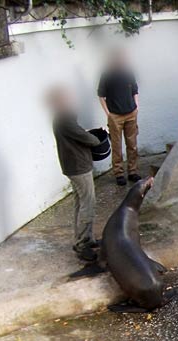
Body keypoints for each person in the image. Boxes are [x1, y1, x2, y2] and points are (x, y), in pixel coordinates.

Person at [48, 86, 101, 262]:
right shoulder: (64, 119)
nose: (69, 99)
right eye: (65, 97)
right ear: (58, 101)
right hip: (79, 167)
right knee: (88, 203)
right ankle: (83, 244)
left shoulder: (61, 118)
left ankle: (84, 238)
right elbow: (87, 138)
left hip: (73, 166)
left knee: (80, 203)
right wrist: (96, 139)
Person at [98, 49, 140, 186]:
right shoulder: (106, 75)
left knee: (132, 145)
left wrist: (137, 107)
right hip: (115, 115)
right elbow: (101, 96)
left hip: (131, 113)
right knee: (117, 146)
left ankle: (132, 171)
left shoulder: (129, 73)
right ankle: (119, 174)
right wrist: (108, 114)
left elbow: (135, 91)